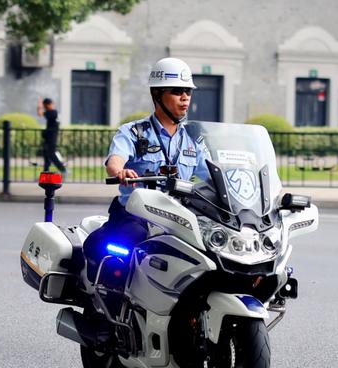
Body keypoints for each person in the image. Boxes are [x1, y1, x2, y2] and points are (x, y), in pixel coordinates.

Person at [83, 57, 211, 282]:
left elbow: (213, 174)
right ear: (157, 95)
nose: (184, 98)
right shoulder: (134, 132)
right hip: (136, 215)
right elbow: (115, 160)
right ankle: (109, 289)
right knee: (125, 240)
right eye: (177, 91)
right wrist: (120, 172)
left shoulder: (193, 140)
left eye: (188, 92)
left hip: (179, 218)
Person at [37, 97, 67, 175]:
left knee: (51, 154)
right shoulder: (51, 112)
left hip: (51, 138)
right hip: (49, 138)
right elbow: (41, 114)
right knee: (46, 155)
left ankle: (63, 170)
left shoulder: (53, 112)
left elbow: (40, 114)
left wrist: (39, 105)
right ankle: (45, 172)